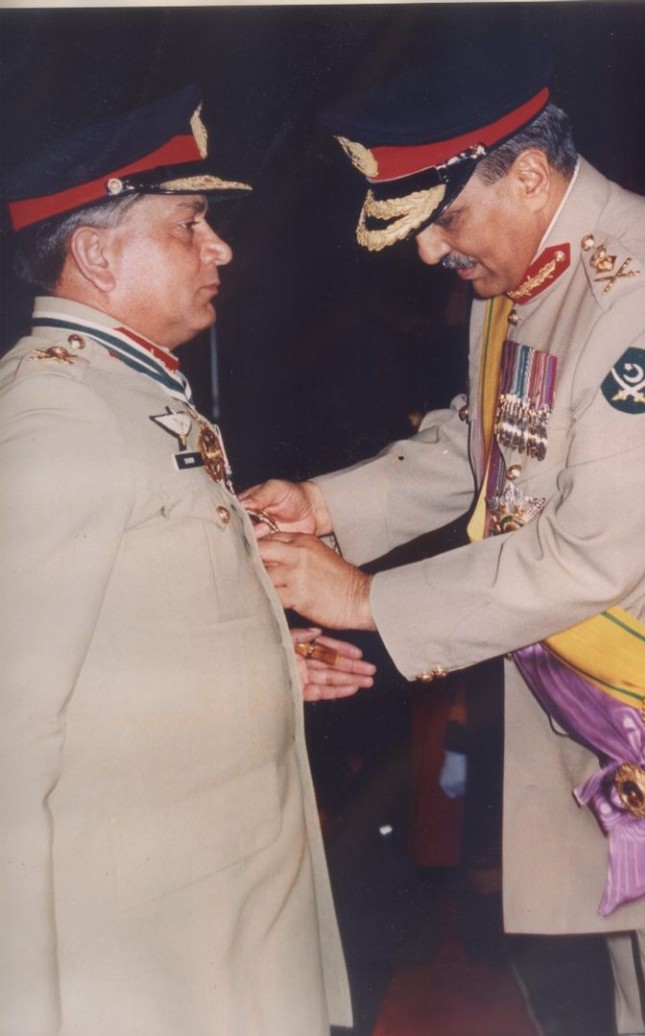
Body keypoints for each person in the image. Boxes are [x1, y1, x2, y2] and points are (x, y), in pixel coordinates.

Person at [240, 30, 645, 1036]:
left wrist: (362, 597)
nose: (430, 251)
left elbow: (587, 556)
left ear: (529, 175)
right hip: (611, 732)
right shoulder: (533, 267)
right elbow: (488, 437)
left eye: (443, 219)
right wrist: (329, 506)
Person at [0, 85, 376, 1035]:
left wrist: (262, 659)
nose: (221, 250)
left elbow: (121, 624)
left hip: (210, 903)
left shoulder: (129, 391)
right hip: (143, 936)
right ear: (97, 254)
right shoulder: (56, 414)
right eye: (190, 225)